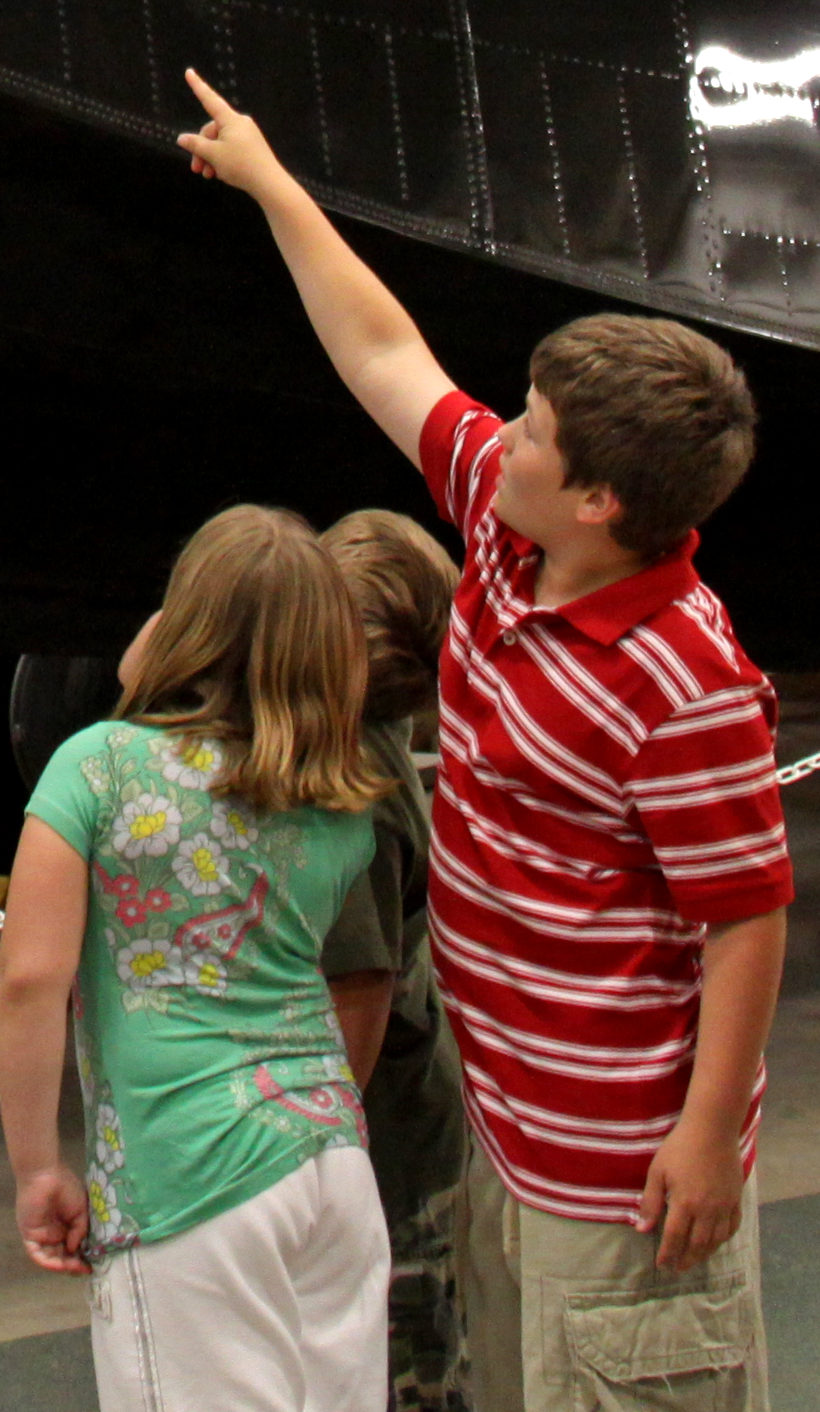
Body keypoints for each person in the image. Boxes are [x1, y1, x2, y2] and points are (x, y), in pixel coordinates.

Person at [182, 73, 788, 1412]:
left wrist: (704, 1140)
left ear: (605, 500)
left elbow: (745, 920)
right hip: (510, 1149)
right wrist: (273, 180)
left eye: (534, 433)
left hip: (624, 1182)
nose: (498, 437)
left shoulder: (684, 677)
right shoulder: (512, 537)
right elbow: (385, 353)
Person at [0, 505, 398, 1412]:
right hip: (331, 1159)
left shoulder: (94, 768)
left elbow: (30, 978)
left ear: (183, 623)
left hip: (187, 1174)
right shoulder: (336, 799)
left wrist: (37, 1169)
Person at [319, 510, 466, 1412]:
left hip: (388, 1152)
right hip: (396, 1135)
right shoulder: (362, 747)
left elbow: (361, 998)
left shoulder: (354, 806)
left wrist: (309, 1161)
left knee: (409, 1377)